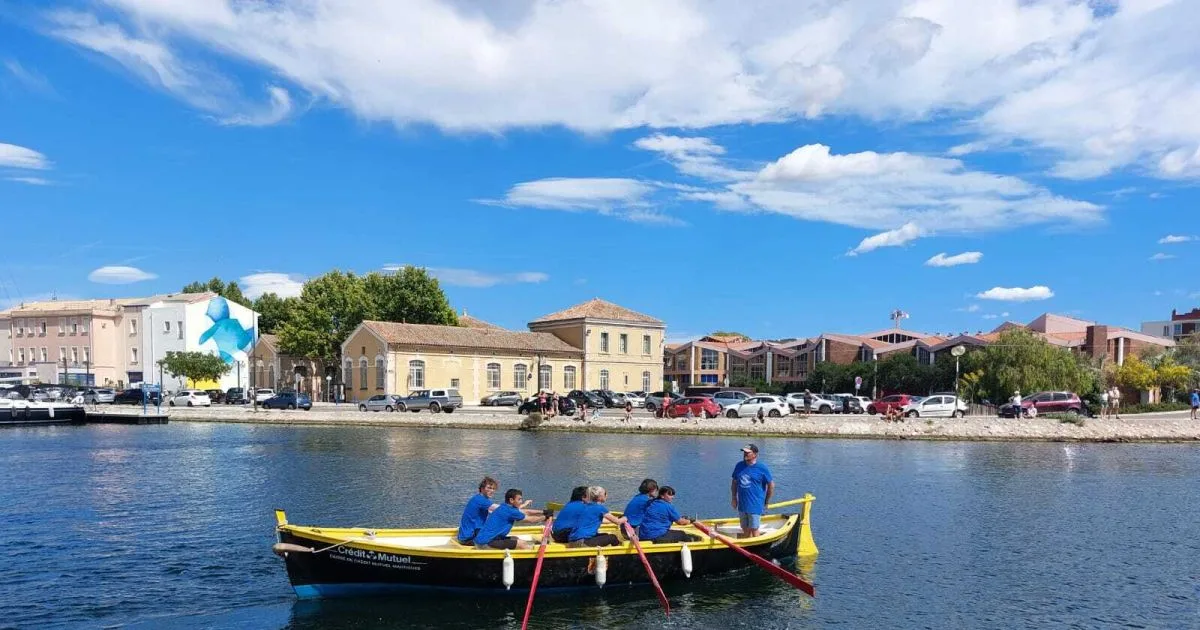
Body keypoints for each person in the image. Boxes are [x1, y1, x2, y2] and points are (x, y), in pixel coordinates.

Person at [474, 488, 549, 550]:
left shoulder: (504, 507)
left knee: (515, 538)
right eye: (519, 499)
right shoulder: (510, 511)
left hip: (482, 540)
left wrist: (544, 512)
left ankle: (530, 547)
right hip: (485, 544)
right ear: (511, 500)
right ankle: (533, 555)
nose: (521, 502)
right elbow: (530, 520)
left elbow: (525, 511)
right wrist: (545, 517)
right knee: (521, 544)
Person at [731, 444, 774, 538]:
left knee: (754, 528)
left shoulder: (762, 467)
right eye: (744, 452)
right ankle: (747, 543)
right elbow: (734, 482)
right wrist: (734, 498)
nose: (745, 454)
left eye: (748, 452)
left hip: (755, 504)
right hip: (742, 504)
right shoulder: (739, 465)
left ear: (755, 454)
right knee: (744, 528)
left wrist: (766, 501)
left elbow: (771, 485)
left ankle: (757, 545)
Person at [456, 476, 499, 545]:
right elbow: (502, 509)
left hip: (464, 537)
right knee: (505, 539)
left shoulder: (477, 498)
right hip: (469, 538)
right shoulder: (481, 500)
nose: (492, 491)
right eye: (489, 488)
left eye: (493, 489)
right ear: (482, 488)